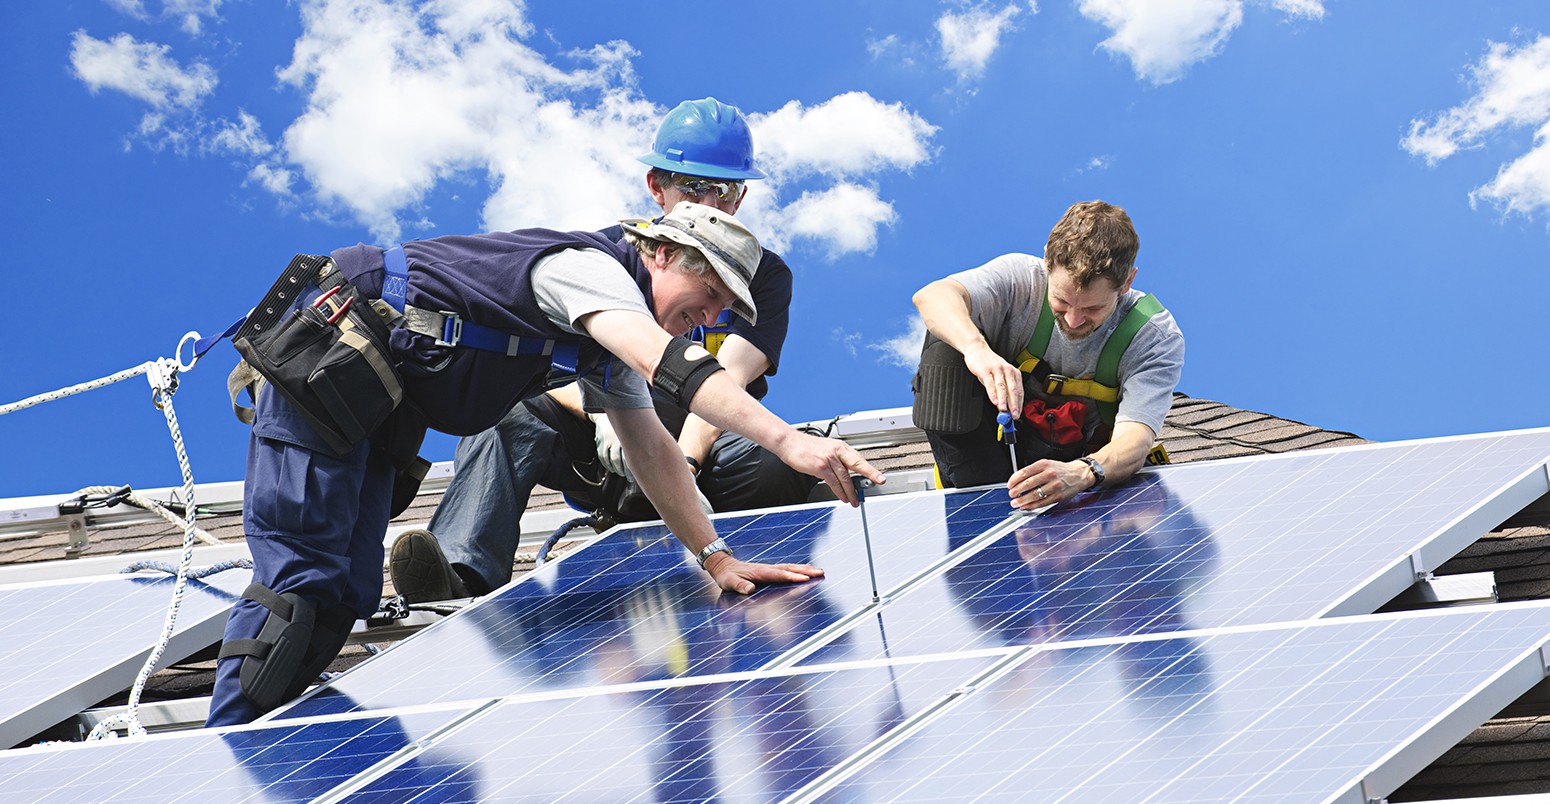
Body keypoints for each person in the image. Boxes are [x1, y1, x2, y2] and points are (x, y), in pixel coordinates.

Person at [207, 201, 885, 726]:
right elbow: (666, 362)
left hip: (373, 403)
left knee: (346, 596)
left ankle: (266, 757)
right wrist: (790, 442)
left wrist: (715, 557)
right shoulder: (587, 271)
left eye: (716, 314)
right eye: (705, 296)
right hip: (327, 359)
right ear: (660, 250)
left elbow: (650, 447)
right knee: (301, 587)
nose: (703, 319)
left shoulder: (603, 345)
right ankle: (223, 761)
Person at [390, 97, 815, 603]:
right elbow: (560, 361)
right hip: (607, 447)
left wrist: (686, 461)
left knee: (778, 460)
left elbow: (727, 379)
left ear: (740, 197)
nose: (710, 203)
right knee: (507, 415)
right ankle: (460, 576)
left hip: (701, 449)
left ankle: (747, 560)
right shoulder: (611, 258)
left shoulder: (758, 277)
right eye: (693, 187)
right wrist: (602, 416)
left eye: (723, 190)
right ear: (657, 188)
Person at [911, 200, 1183, 510]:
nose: (1073, 321)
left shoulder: (1152, 335)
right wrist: (977, 350)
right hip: (983, 460)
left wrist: (1084, 472)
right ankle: (979, 502)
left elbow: (1135, 437)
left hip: (1075, 470)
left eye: (1093, 308)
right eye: (1062, 301)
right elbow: (932, 296)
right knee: (945, 344)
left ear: (1128, 282)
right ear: (1046, 263)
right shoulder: (1019, 280)